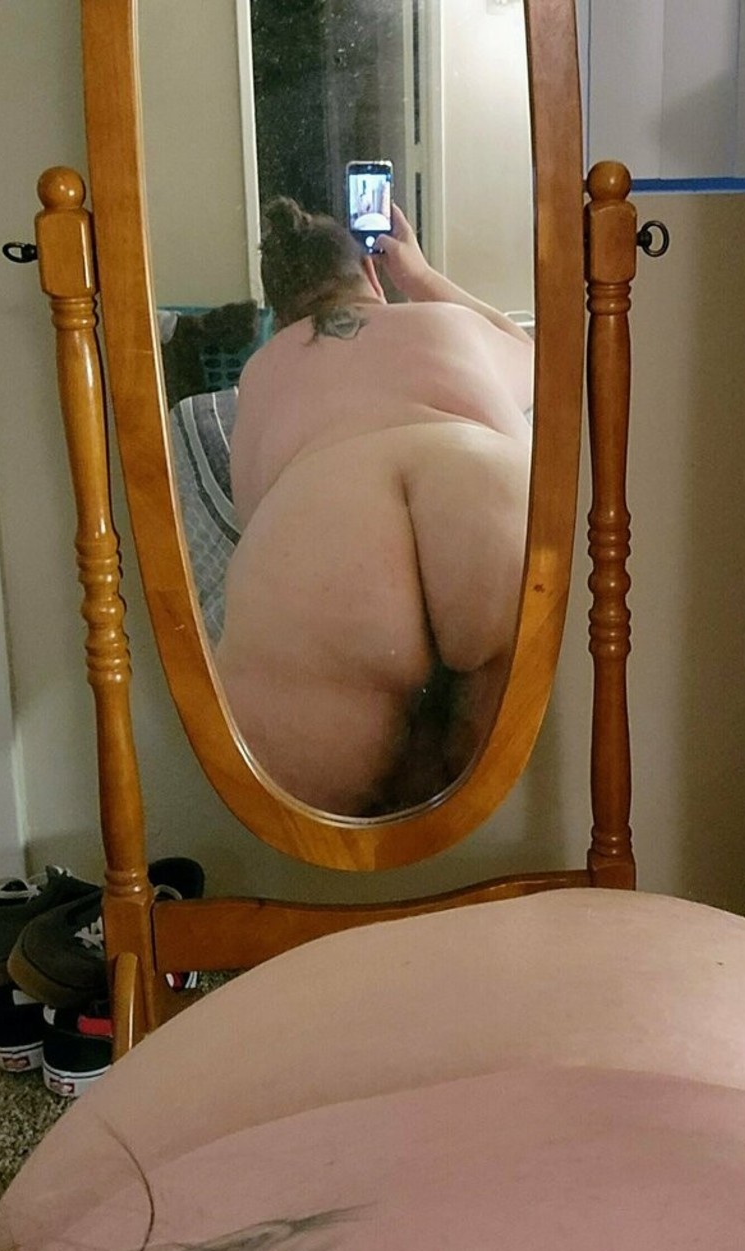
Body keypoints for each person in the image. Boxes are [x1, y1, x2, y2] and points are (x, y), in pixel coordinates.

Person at [214, 196, 534, 816]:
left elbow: (254, 513)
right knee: (533, 815)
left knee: (327, 835)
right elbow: (529, 351)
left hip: (317, 521)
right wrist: (419, 274)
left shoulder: (259, 373)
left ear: (278, 313)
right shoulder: (447, 323)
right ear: (368, 272)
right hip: (484, 482)